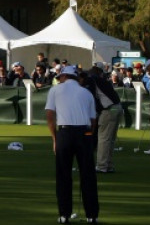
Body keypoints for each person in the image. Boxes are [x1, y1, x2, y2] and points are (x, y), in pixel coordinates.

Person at [45, 65, 99, 224]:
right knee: (88, 175)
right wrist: (89, 137)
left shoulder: (55, 90)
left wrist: (55, 138)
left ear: (63, 77)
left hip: (65, 133)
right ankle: (92, 215)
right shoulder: (86, 92)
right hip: (85, 133)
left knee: (63, 175)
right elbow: (93, 120)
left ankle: (64, 215)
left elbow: (49, 115)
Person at [86, 63, 121, 173]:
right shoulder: (101, 80)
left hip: (109, 110)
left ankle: (102, 166)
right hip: (117, 108)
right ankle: (108, 165)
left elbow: (92, 99)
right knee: (110, 139)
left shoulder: (91, 79)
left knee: (104, 138)